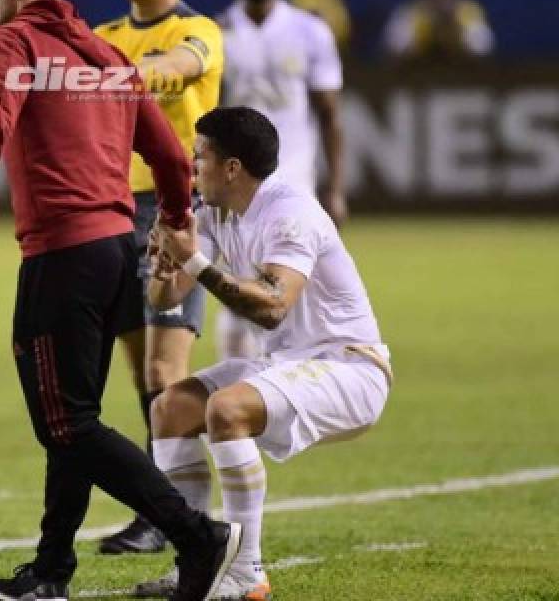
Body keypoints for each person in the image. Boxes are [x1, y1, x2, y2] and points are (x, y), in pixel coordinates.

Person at [0, 0, 241, 601]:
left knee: (66, 424)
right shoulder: (107, 54)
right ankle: (51, 570)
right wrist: (175, 223)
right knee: (73, 416)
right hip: (118, 250)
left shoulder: (13, 42)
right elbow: (173, 157)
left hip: (63, 255)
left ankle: (196, 534)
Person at [134, 106, 392, 600]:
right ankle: (199, 562)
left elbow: (273, 307)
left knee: (225, 409)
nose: (192, 167)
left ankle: (246, 572)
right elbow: (164, 298)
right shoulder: (212, 214)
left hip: (350, 365)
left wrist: (195, 262)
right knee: (170, 408)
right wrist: (164, 265)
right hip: (289, 364)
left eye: (200, 156)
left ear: (232, 168)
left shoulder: (290, 212)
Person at [93, 0, 223, 555]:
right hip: (117, 213)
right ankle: (162, 511)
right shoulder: (102, 35)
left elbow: (177, 67)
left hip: (179, 213)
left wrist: (117, 73)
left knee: (167, 371)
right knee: (144, 377)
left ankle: (174, 518)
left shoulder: (197, 31)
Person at [215, 0, 347, 361]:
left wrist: (337, 187)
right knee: (238, 295)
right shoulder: (216, 33)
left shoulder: (311, 32)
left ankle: (282, 397)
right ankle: (238, 403)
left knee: (291, 297)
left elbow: (329, 115)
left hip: (294, 182)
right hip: (237, 187)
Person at [382, 0, 494, 62]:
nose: (439, 1)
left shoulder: (467, 12)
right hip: (417, 73)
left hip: (462, 73)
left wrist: (454, 28)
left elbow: (483, 49)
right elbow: (394, 49)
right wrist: (427, 32)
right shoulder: (410, 13)